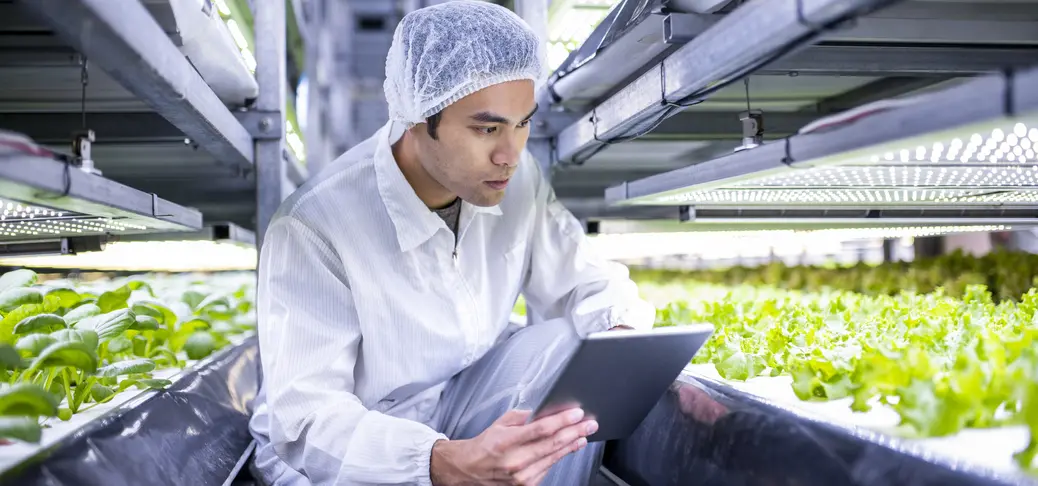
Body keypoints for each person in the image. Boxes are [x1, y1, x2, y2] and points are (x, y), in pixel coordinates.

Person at [247, 1, 656, 485]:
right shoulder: (315, 225)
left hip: (457, 406)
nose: (510, 154)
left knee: (578, 343)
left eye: (522, 123)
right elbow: (306, 420)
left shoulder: (515, 181)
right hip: (345, 454)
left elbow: (589, 283)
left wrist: (623, 343)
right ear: (419, 117)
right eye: (487, 128)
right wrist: (438, 461)